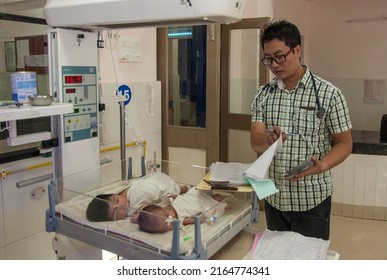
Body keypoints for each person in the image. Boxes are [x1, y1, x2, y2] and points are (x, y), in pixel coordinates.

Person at [250, 19, 352, 240]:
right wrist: (269, 141)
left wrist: (322, 165)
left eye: (279, 56)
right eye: (268, 59)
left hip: (312, 199)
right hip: (274, 197)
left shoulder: (329, 94)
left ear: (297, 50)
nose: (274, 65)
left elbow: (344, 142)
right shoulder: (263, 94)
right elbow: (256, 141)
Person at [86, 172, 189, 222]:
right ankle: (179, 190)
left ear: (115, 195)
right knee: (169, 197)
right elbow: (152, 212)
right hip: (162, 183)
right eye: (116, 212)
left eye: (116, 200)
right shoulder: (134, 207)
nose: (121, 205)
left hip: (159, 180)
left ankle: (178, 190)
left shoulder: (125, 194)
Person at [136, 188, 231, 233]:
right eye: (165, 225)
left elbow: (168, 199)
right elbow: (196, 219)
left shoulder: (165, 205)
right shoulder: (180, 220)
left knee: (199, 190)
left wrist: (175, 196)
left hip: (192, 196)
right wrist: (198, 219)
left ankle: (212, 195)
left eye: (166, 215)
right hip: (200, 205)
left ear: (163, 208)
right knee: (213, 209)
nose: (170, 220)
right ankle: (220, 203)